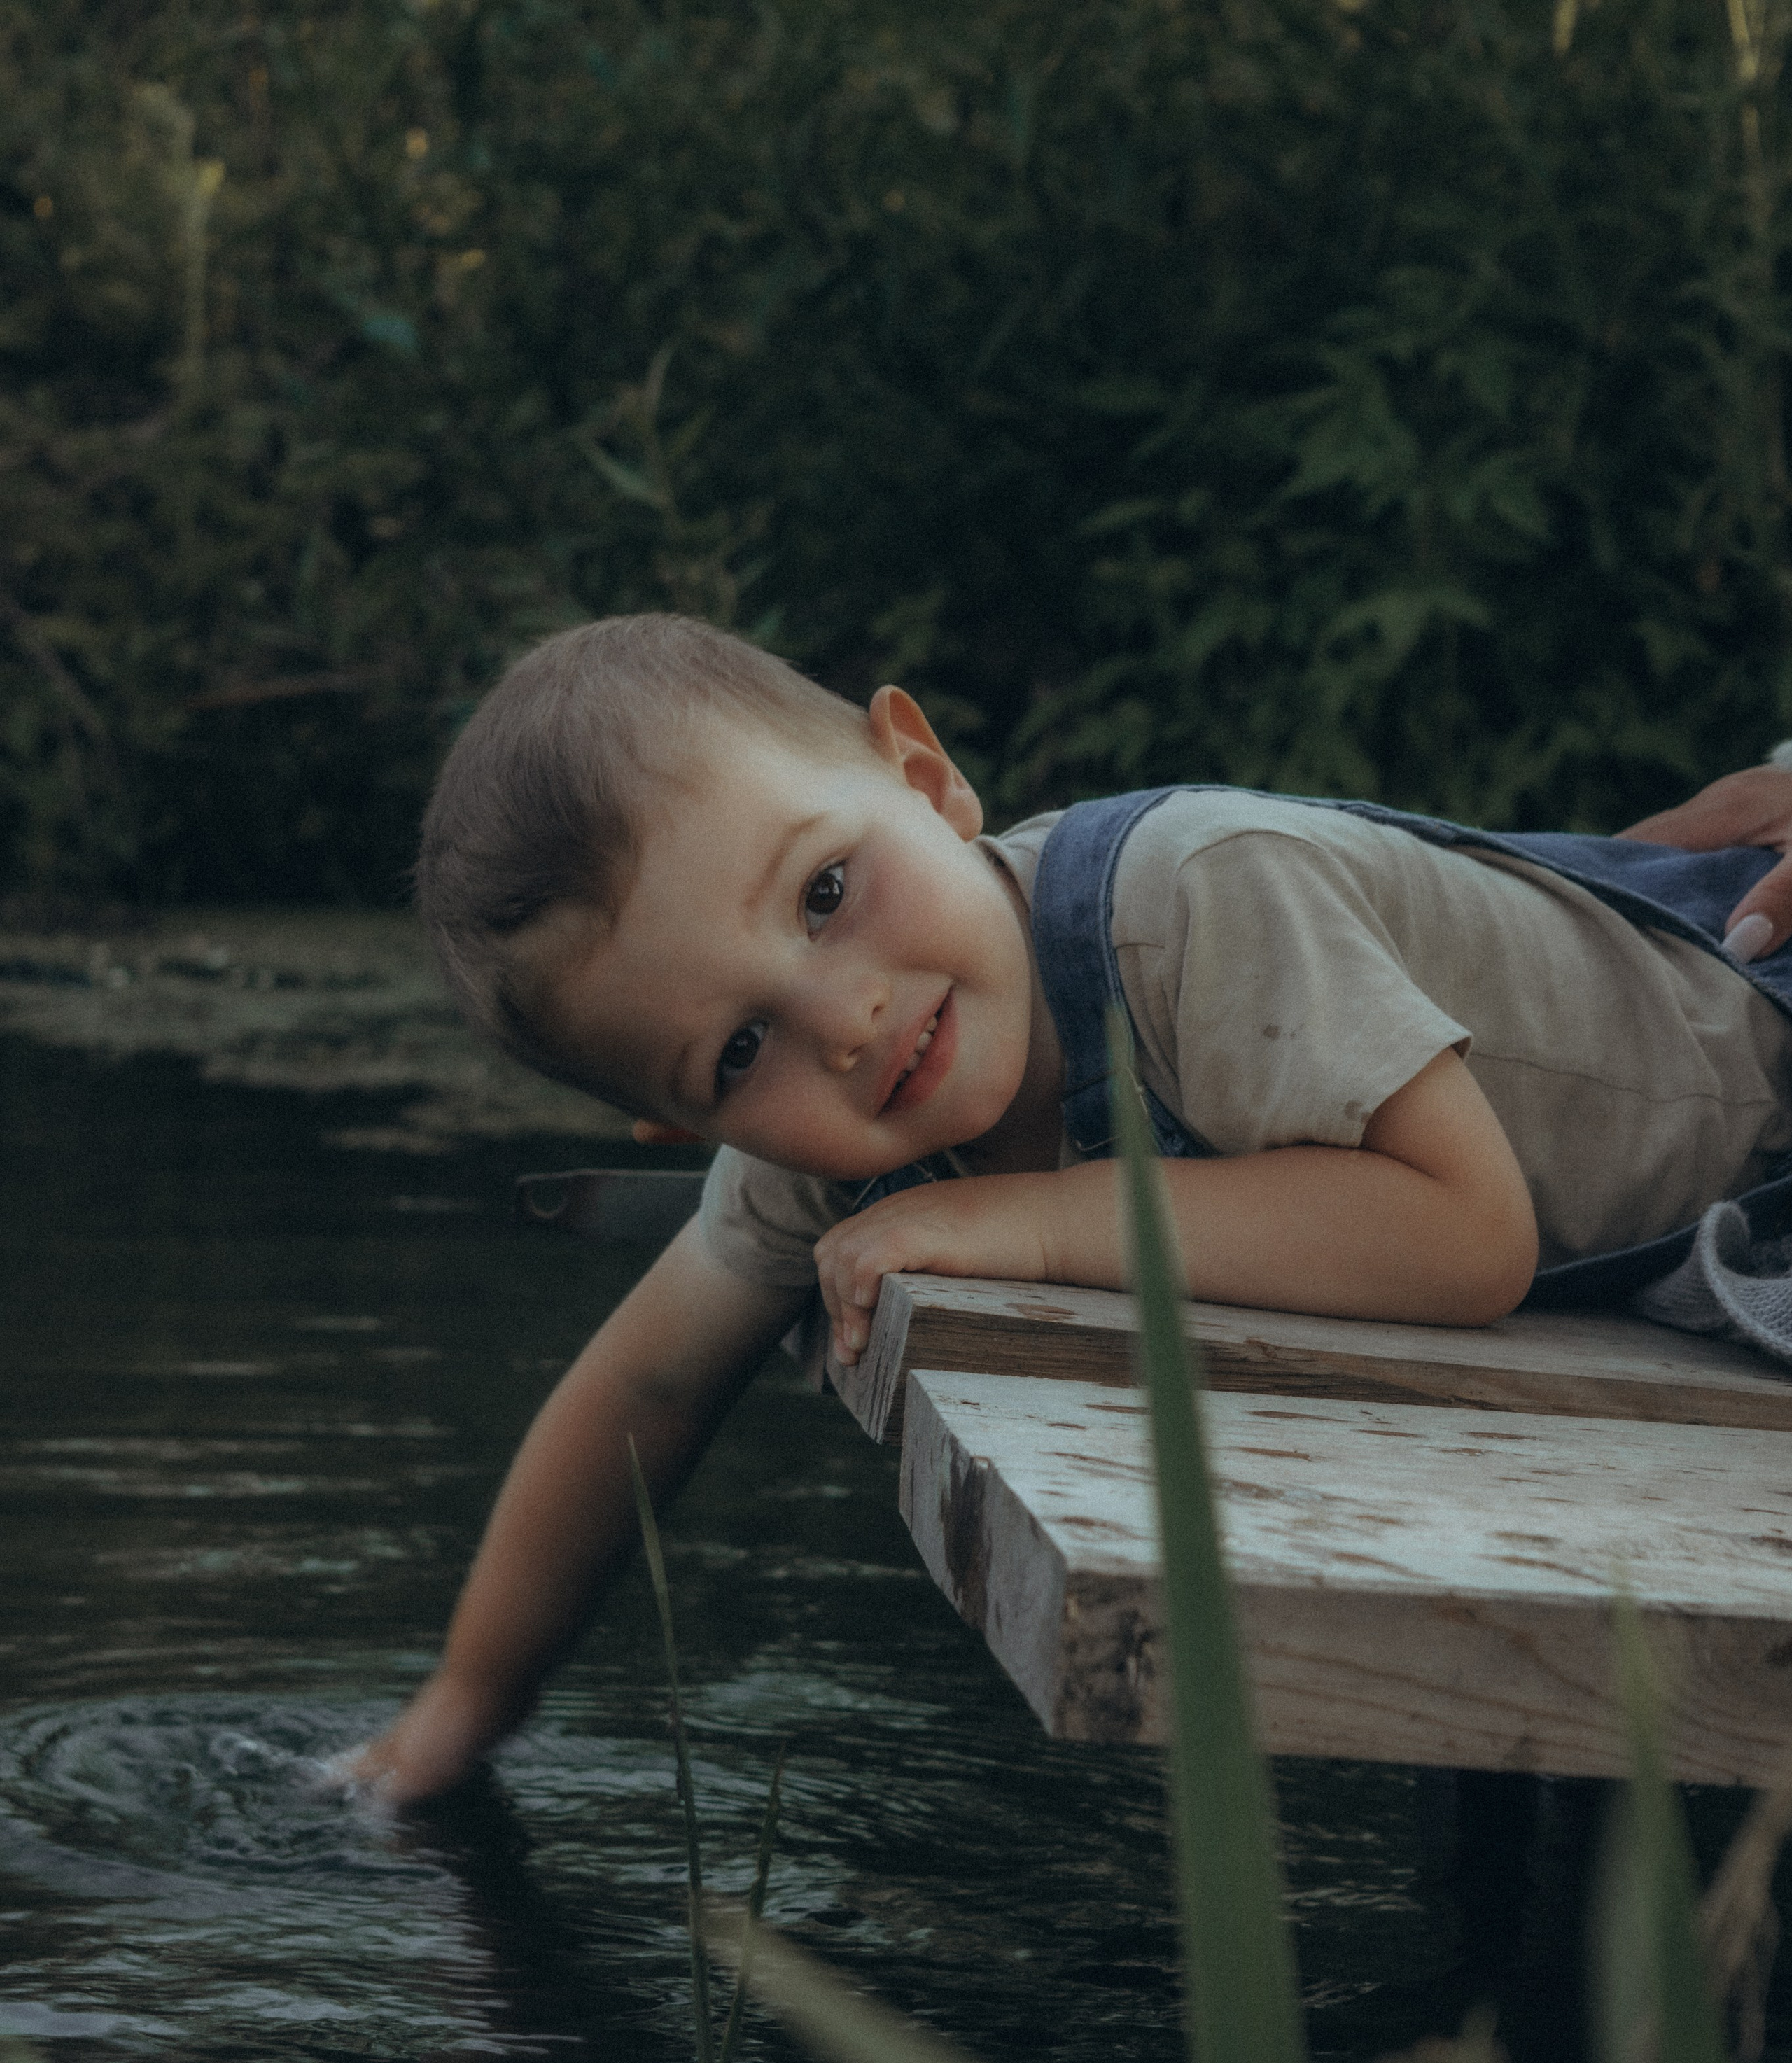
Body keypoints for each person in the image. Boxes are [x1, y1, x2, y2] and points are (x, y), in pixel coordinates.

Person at [349, 613, 1792, 1803]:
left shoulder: (1196, 901)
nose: (841, 1022)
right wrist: (464, 1708)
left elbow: (1466, 1237)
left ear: (924, 778)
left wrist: (1031, 1224)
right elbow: (646, 1389)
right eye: (736, 1052)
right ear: (692, 1126)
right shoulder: (819, 1141)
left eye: (826, 891)